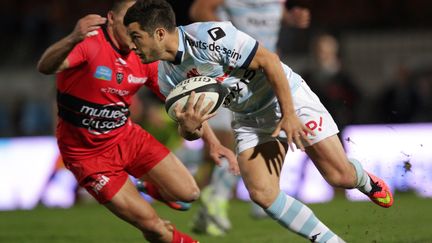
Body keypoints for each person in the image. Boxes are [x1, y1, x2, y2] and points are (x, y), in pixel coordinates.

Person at [124, 0, 394, 242]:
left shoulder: (208, 37)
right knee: (263, 193)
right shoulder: (166, 76)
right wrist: (190, 129)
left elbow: (270, 62)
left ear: (159, 33)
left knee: (340, 176)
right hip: (249, 117)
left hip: (286, 97)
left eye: (136, 37)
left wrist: (289, 115)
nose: (133, 46)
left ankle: (364, 180)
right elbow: (190, 129)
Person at [36, 1, 237, 242]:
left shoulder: (144, 57)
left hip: (127, 139)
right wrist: (72, 38)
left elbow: (183, 105)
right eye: (127, 24)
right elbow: (45, 66)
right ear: (110, 18)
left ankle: (148, 186)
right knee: (153, 226)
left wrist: (213, 143)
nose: (134, 33)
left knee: (189, 193)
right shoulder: (89, 44)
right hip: (87, 156)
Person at [188, 0, 312, 235]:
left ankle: (220, 202)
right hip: (229, 74)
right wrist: (234, 43)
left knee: (264, 138)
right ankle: (215, 202)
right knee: (230, 145)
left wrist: (289, 18)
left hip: (263, 77)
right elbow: (198, 9)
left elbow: (270, 14)